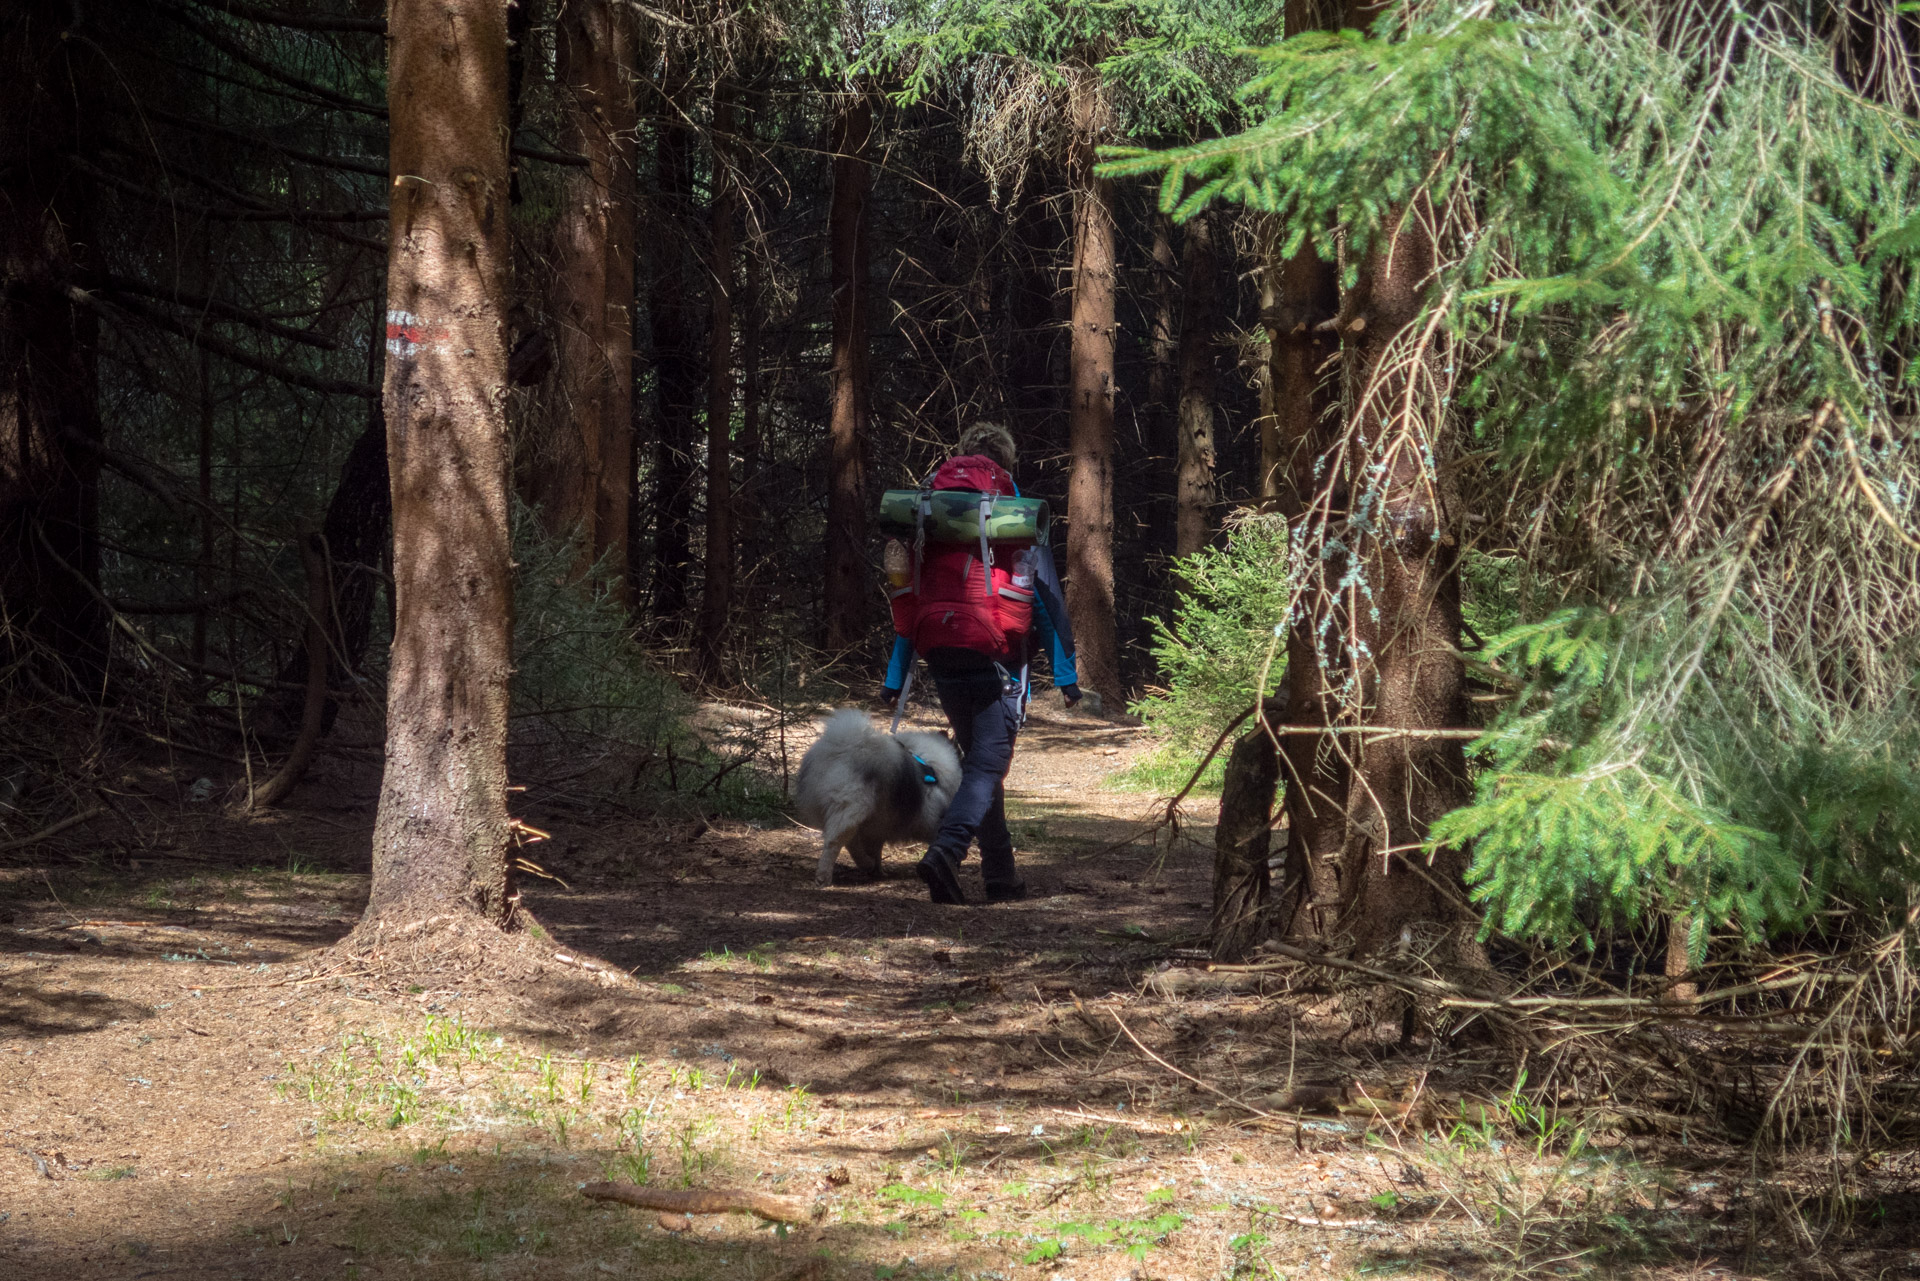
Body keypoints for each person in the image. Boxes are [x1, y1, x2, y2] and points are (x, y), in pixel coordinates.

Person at [880, 422, 1080, 905]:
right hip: (996, 657)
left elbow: (912, 600)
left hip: (939, 652)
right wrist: (1068, 675)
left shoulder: (933, 513)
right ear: (1006, 463)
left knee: (981, 767)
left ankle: (1000, 876)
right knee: (989, 764)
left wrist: (893, 677)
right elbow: (1045, 601)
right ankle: (946, 853)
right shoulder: (1010, 516)